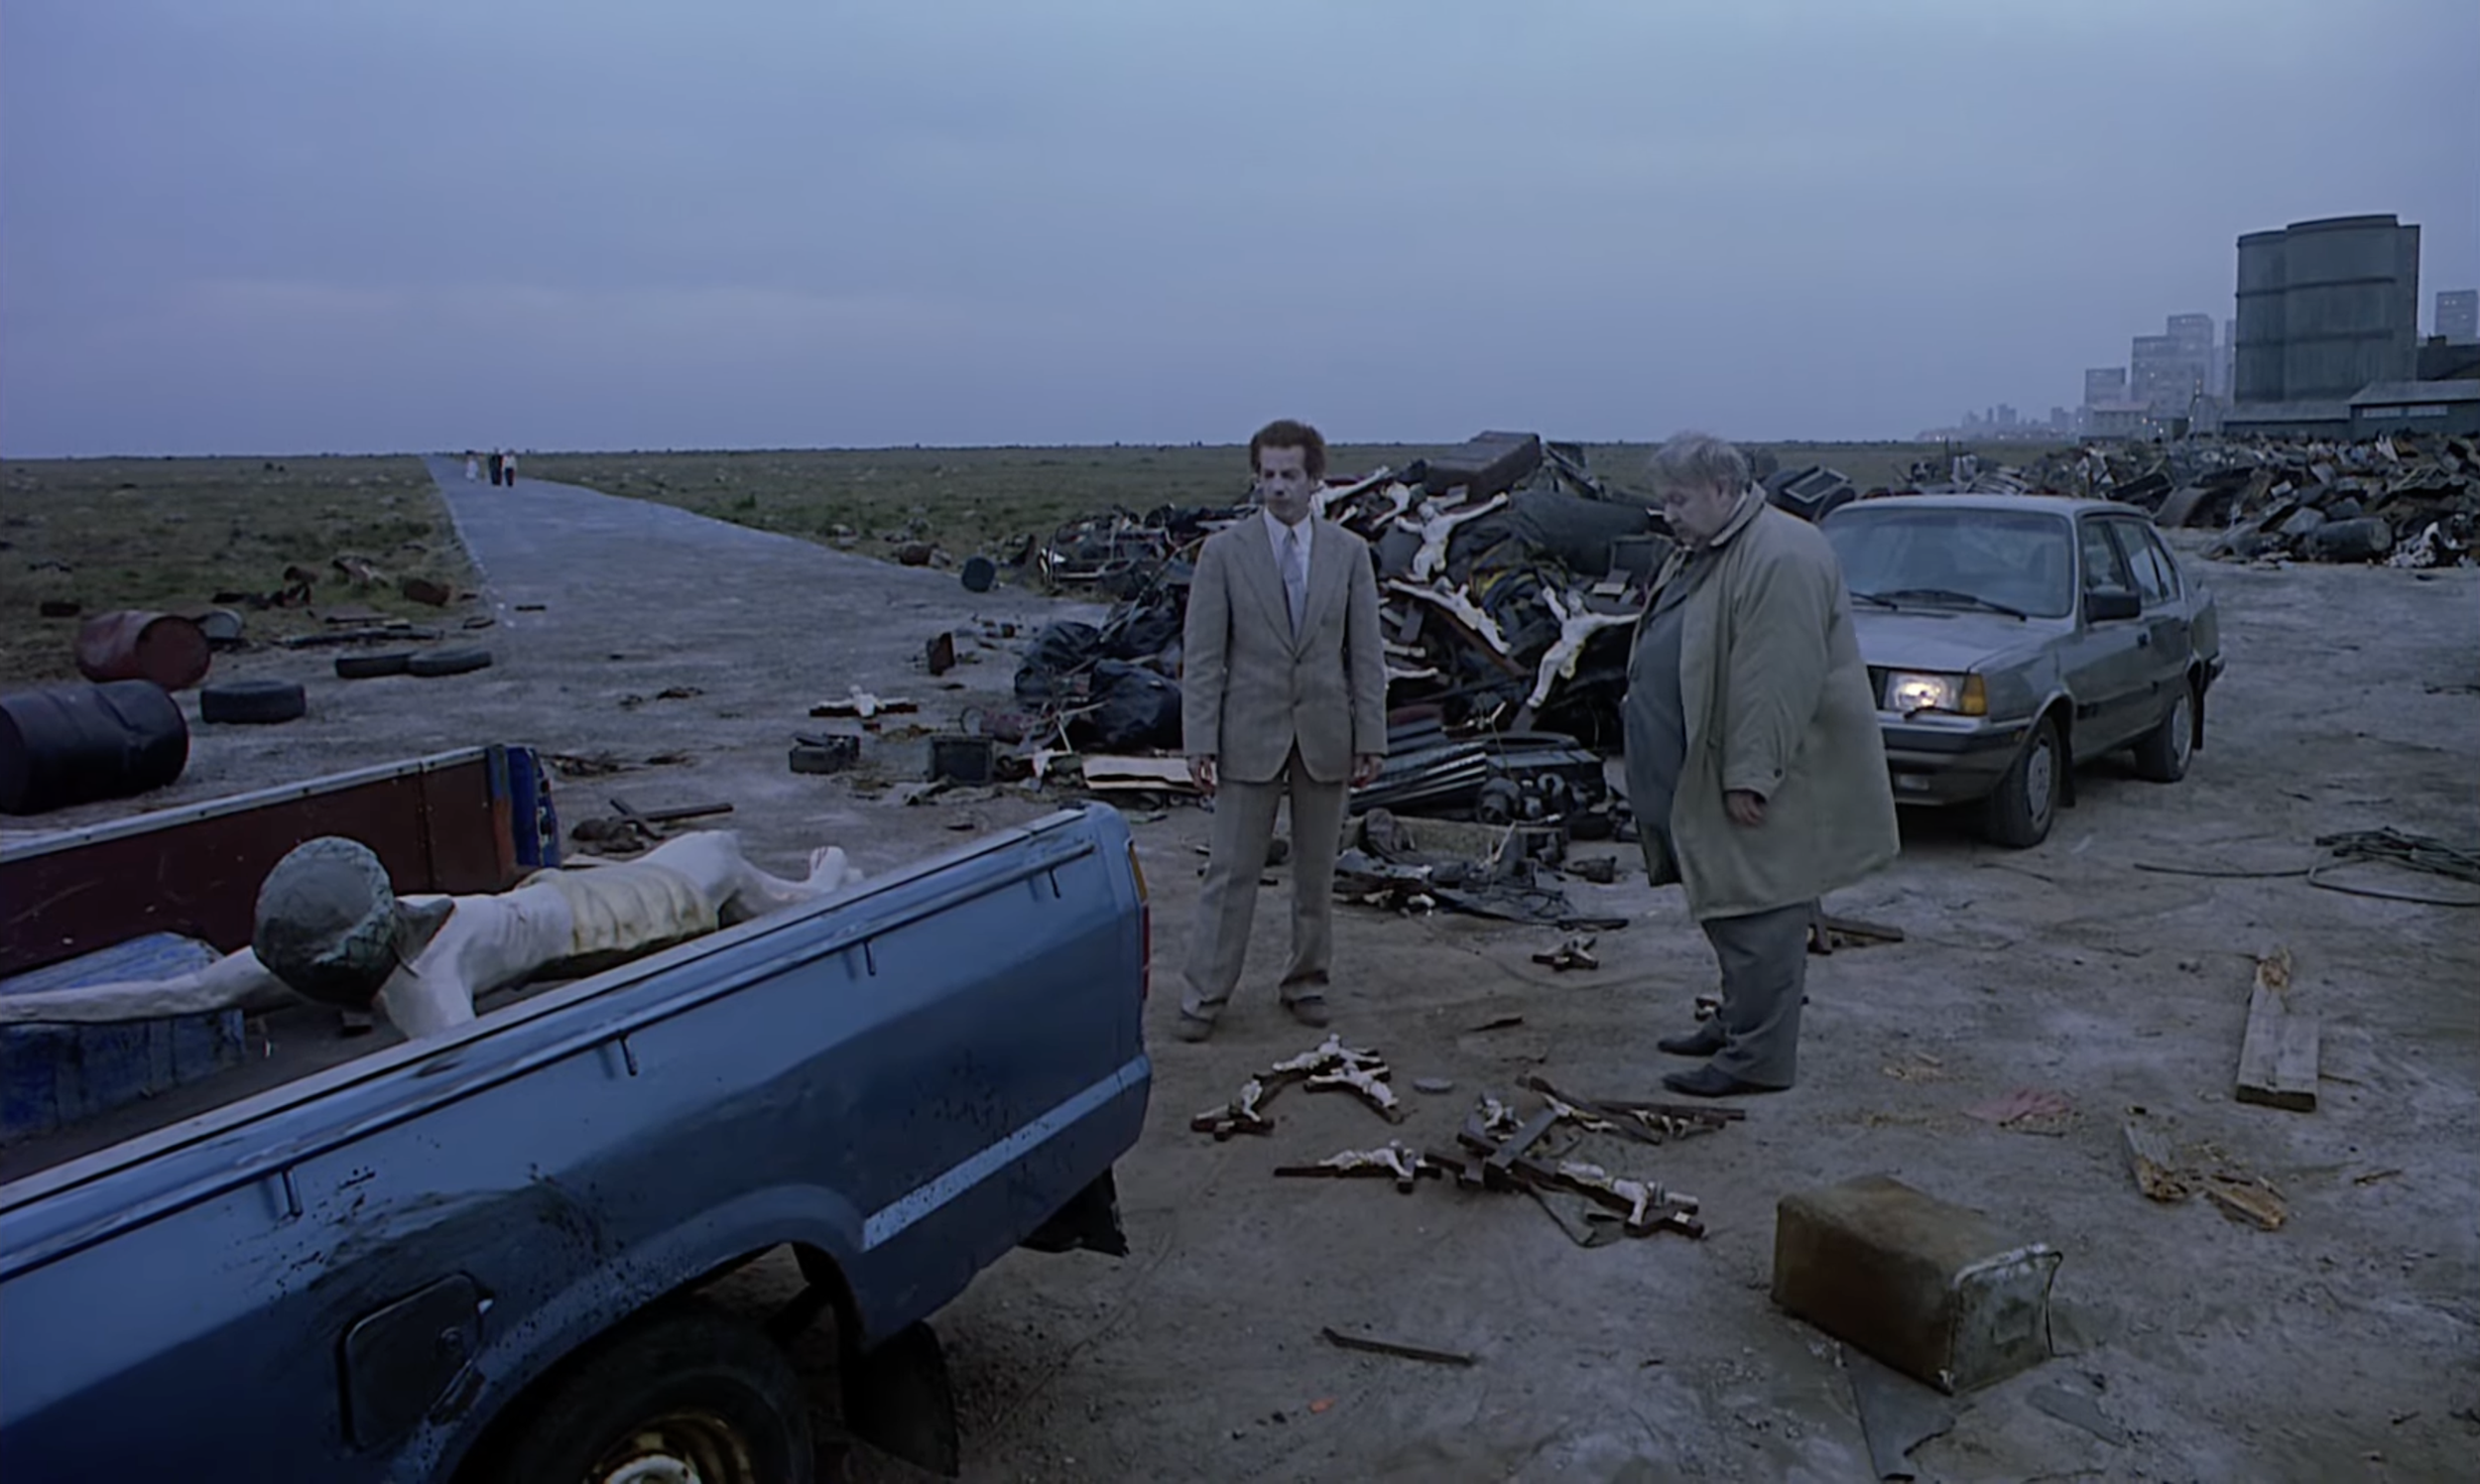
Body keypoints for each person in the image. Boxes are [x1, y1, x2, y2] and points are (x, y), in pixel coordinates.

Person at [1624, 433, 1899, 1097]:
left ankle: (1758, 1058)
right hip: (1709, 768)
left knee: (1761, 911)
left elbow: (1776, 678)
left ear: (1722, 488)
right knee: (1727, 902)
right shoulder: (1712, 547)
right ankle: (1738, 1023)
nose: (1668, 513)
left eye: (1679, 499)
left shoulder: (1781, 554)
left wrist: (1752, 774)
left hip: (1757, 777)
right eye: (1664, 501)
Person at [0, 831, 861, 1041]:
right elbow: (182, 992)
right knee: (737, 872)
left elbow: (468, 1078)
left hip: (625, 912)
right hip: (566, 900)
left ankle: (829, 876)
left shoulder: (429, 979)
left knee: (753, 885)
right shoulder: (360, 931)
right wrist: (23, 1008)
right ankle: (823, 874)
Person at [1174, 419, 1387, 1042]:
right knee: (1230, 872)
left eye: (1290, 475)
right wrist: (1199, 741)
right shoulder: (1223, 554)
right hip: (1248, 735)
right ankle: (1204, 996)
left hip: (1325, 734)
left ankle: (1307, 982)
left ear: (1315, 479)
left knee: (1316, 874)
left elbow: (1366, 654)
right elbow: (1202, 656)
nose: (1277, 487)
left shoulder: (1348, 554)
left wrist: (1370, 737)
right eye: (1267, 475)